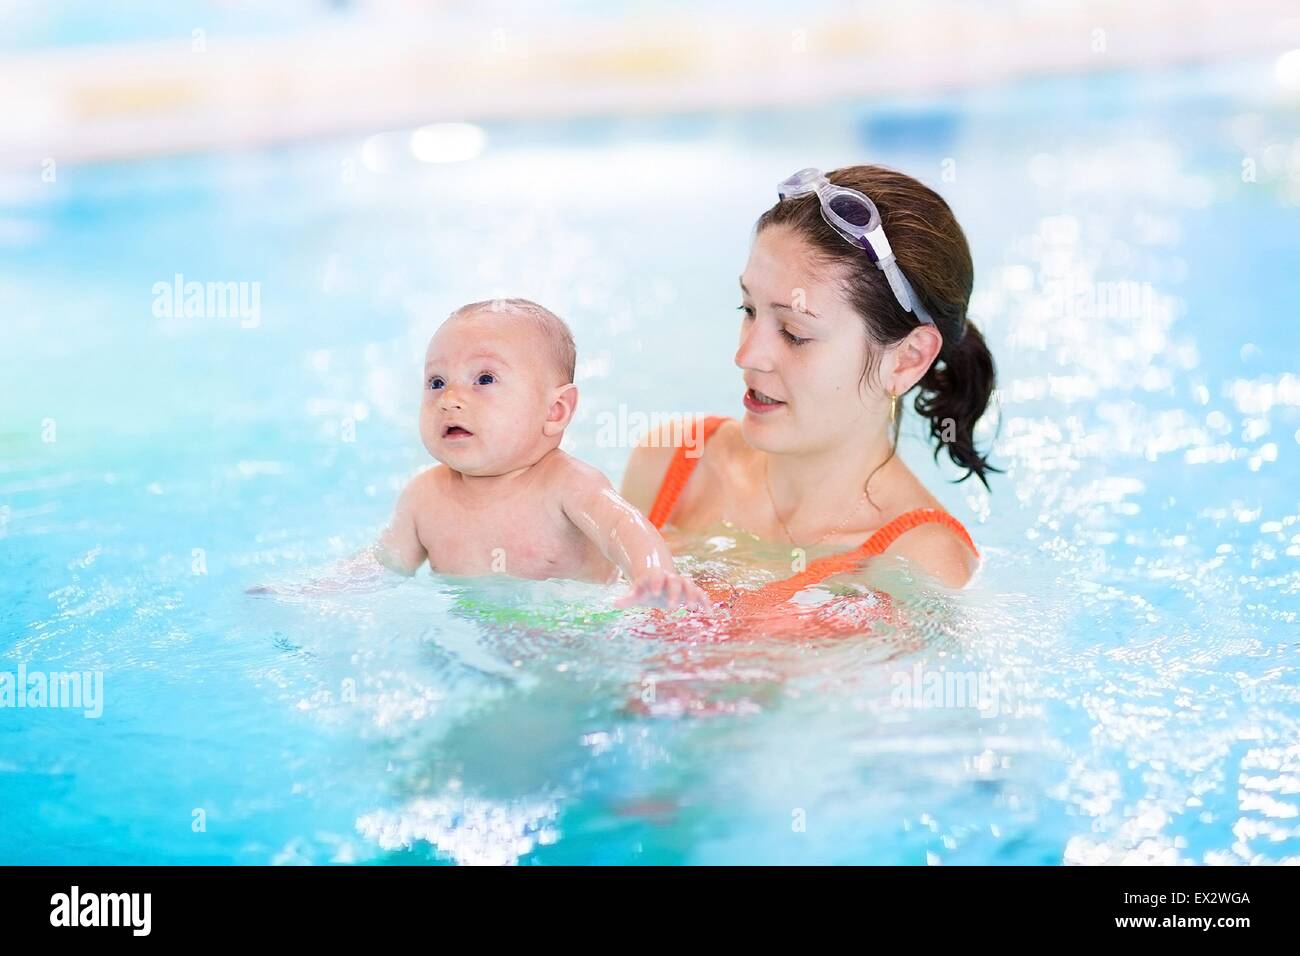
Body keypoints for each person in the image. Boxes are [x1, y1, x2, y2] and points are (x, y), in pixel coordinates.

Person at [620, 165, 999, 595]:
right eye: (748, 311)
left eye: (794, 333)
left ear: (907, 359)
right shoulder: (672, 463)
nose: (746, 356)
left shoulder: (922, 565)